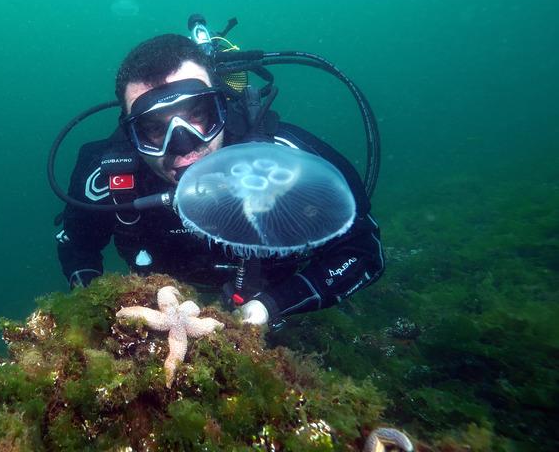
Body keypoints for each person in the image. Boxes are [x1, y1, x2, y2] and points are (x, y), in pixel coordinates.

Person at [55, 34, 384, 326]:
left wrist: (273, 306)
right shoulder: (108, 176)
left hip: (271, 302)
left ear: (223, 106)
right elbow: (77, 246)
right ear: (131, 134)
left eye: (198, 114)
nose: (184, 145)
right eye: (155, 128)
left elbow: (364, 250)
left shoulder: (287, 161)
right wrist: (102, 313)